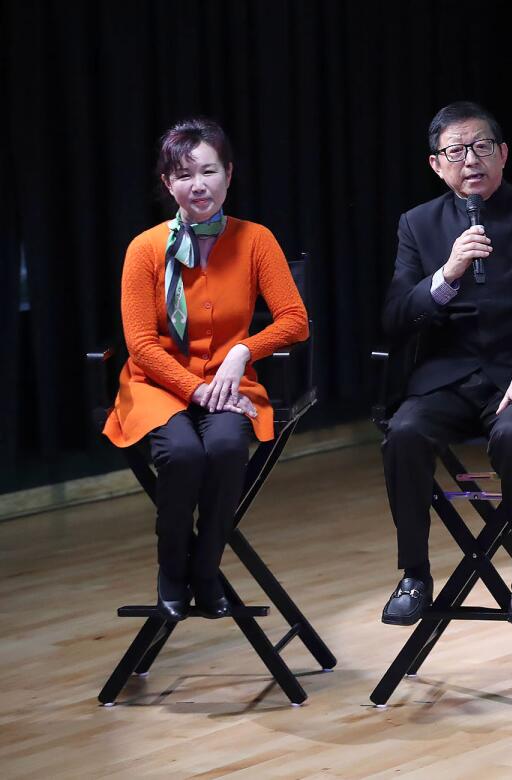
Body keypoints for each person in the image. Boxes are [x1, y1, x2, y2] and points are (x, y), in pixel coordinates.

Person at [380, 101, 512, 626]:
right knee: (404, 433)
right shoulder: (417, 224)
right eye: (456, 151)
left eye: (482, 147)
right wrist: (447, 275)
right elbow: (396, 316)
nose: (470, 159)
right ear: (437, 165)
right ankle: (413, 575)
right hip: (445, 377)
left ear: (503, 154)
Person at [104, 118, 309, 622]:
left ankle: (206, 568)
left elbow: (295, 321)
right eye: (183, 174)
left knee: (223, 447)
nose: (198, 184)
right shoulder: (144, 249)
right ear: (167, 183)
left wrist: (243, 352)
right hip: (158, 385)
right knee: (182, 456)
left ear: (229, 175)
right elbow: (141, 344)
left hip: (229, 383)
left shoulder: (256, 239)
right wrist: (195, 390)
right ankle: (174, 570)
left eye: (209, 171)